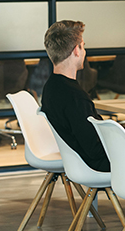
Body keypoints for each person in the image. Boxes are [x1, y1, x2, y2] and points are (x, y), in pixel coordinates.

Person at [40, 20, 111, 172]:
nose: (84, 51)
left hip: (77, 163)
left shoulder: (51, 88)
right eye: (83, 45)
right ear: (76, 50)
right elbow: (96, 150)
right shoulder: (76, 97)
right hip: (98, 166)